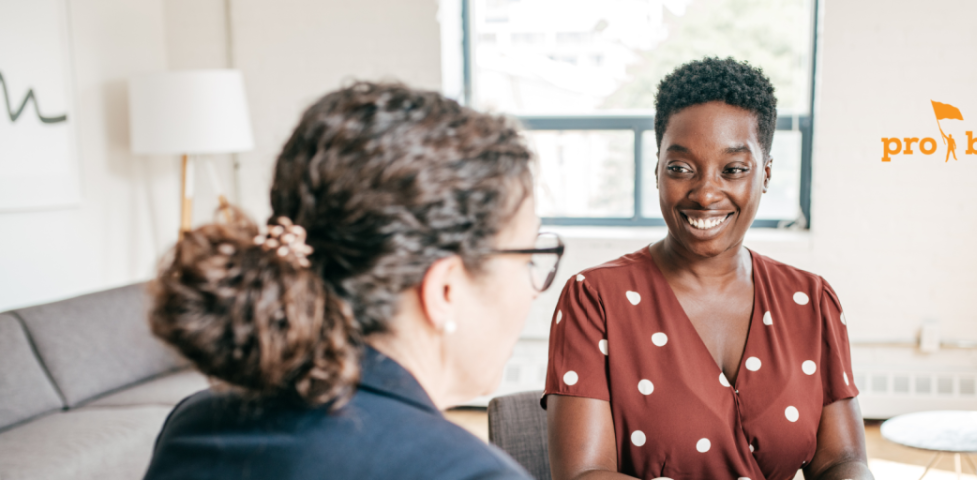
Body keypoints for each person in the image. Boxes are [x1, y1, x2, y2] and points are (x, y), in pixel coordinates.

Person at [143, 82, 564, 480]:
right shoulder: (472, 473)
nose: (532, 290)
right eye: (528, 257)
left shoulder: (196, 425)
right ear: (445, 291)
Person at [543, 58, 874, 480]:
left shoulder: (811, 300)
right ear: (657, 169)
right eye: (680, 168)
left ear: (766, 174)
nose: (705, 194)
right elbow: (583, 474)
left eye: (733, 169)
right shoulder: (595, 298)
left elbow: (842, 460)